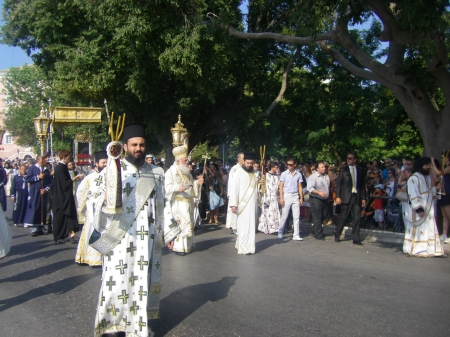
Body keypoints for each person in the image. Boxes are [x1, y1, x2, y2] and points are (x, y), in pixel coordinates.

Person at [89, 123, 165, 337]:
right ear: (125, 146)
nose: (138, 148)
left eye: (141, 144)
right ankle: (111, 324)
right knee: (115, 282)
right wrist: (103, 201)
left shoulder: (156, 173)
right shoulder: (112, 171)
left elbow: (162, 205)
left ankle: (136, 326)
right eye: (134, 145)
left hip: (146, 240)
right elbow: (91, 199)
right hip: (120, 238)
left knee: (141, 282)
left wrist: (167, 232)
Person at [403, 157, 445, 257]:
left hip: (428, 208)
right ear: (420, 166)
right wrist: (419, 209)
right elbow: (413, 194)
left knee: (428, 228)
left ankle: (429, 249)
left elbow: (428, 192)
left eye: (429, 165)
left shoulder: (426, 177)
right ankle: (417, 249)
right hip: (418, 210)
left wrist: (436, 188)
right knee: (419, 229)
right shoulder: (414, 178)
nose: (428, 167)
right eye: (426, 165)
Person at [164, 138, 197, 256]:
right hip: (177, 204)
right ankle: (178, 247)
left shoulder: (186, 172)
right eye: (185, 160)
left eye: (187, 160)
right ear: (178, 161)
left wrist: (198, 183)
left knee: (187, 225)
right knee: (180, 224)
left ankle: (187, 246)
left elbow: (192, 185)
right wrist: (178, 188)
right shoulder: (170, 172)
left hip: (187, 203)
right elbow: (166, 188)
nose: (187, 163)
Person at [75, 151, 108, 266]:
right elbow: (80, 192)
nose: (105, 165)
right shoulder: (90, 178)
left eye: (107, 163)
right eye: (103, 162)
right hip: (93, 212)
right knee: (91, 232)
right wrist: (88, 202)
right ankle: (90, 258)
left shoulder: (110, 176)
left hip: (106, 212)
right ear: (96, 163)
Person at [334, 151, 367, 244]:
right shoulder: (343, 170)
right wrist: (338, 196)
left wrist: (364, 198)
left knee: (357, 218)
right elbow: (339, 184)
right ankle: (337, 234)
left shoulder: (360, 170)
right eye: (347, 158)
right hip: (346, 196)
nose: (348, 160)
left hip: (357, 196)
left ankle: (356, 238)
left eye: (350, 158)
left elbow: (362, 186)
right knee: (343, 217)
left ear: (355, 160)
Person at [229, 151, 258, 254]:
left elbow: (258, 188)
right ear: (244, 162)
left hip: (253, 204)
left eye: (251, 163)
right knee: (243, 225)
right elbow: (234, 189)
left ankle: (250, 246)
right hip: (242, 204)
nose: (249, 165)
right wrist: (233, 204)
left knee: (251, 225)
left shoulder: (255, 174)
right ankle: (244, 248)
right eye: (248, 163)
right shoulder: (238, 173)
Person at [52, 150, 79, 244]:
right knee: (61, 217)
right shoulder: (60, 168)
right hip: (62, 197)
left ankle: (71, 234)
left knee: (68, 215)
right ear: (64, 157)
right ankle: (60, 236)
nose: (69, 159)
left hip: (63, 196)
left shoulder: (62, 167)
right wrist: (75, 179)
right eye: (68, 157)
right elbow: (64, 183)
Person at [23, 154, 52, 236]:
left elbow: (50, 183)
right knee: (34, 209)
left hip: (43, 193)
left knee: (42, 209)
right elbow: (28, 178)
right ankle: (34, 229)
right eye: (44, 159)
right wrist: (37, 177)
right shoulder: (32, 168)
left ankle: (40, 227)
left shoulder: (46, 170)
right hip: (34, 191)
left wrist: (45, 189)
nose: (46, 160)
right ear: (39, 160)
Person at [278, 157, 304, 241]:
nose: (288, 166)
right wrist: (281, 197)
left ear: (295, 165)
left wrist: (301, 197)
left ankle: (296, 234)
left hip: (295, 195)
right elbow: (281, 186)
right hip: (287, 196)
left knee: (296, 216)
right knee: (284, 216)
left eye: (290, 164)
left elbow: (299, 186)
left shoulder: (298, 174)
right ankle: (280, 231)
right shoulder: (284, 174)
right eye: (287, 164)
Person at [307, 161, 330, 240]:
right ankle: (318, 234)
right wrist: (319, 193)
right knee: (317, 216)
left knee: (324, 215)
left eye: (324, 167)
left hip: (325, 199)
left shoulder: (326, 176)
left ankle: (314, 229)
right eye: (322, 167)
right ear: (317, 168)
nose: (324, 168)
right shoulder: (313, 177)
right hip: (316, 198)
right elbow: (310, 188)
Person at [258, 161, 281, 234]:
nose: (277, 169)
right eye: (276, 167)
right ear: (272, 167)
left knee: (274, 213)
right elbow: (262, 186)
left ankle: (274, 228)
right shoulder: (266, 175)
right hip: (267, 196)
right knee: (267, 212)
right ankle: (265, 227)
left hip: (275, 196)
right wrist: (262, 182)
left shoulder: (277, 176)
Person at [226, 152, 244, 233]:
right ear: (238, 159)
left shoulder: (244, 168)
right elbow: (231, 182)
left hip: (242, 193)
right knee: (234, 211)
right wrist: (230, 194)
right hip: (235, 192)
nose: (244, 160)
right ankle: (234, 227)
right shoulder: (234, 169)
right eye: (243, 158)